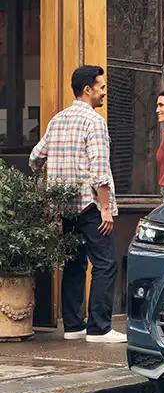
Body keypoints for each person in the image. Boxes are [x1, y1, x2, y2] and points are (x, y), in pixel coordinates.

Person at [29, 65, 126, 344]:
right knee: (106, 264)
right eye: (101, 87)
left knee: (74, 264)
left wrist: (50, 184)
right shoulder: (94, 122)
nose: (105, 92)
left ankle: (73, 326)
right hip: (91, 206)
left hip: (65, 207)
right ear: (87, 89)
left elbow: (35, 158)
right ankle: (99, 329)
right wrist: (105, 209)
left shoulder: (57, 120)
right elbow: (100, 171)